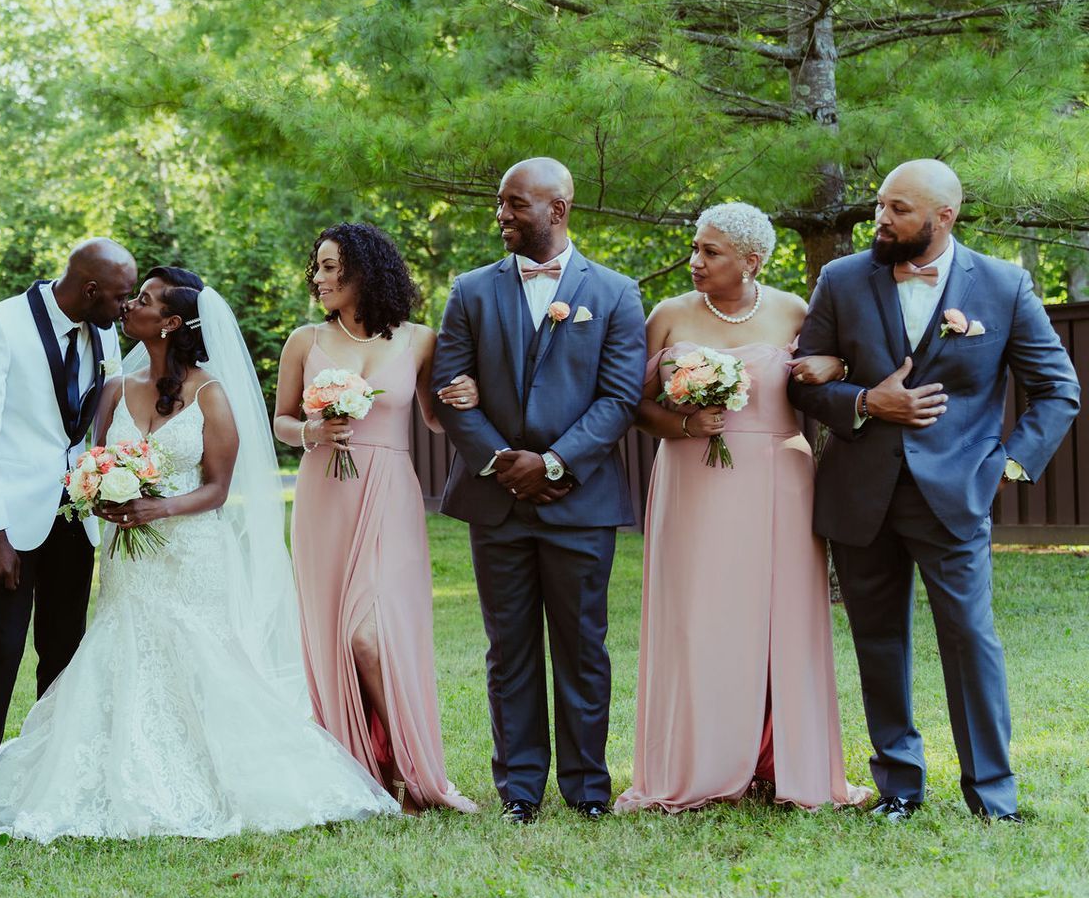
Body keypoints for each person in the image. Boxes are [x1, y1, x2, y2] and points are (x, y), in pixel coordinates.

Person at [0, 269, 398, 840]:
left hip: (187, 550)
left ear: (169, 323)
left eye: (142, 300)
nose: (128, 305)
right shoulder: (115, 386)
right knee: (120, 648)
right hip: (126, 555)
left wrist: (158, 510)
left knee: (197, 656)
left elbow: (216, 487)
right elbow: (91, 461)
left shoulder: (212, 393)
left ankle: (215, 771)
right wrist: (103, 495)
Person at [788, 160, 1079, 823]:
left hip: (955, 495)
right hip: (860, 494)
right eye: (879, 207)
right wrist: (865, 400)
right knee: (878, 641)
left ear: (942, 218)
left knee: (970, 639)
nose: (880, 221)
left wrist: (1006, 465)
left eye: (897, 210)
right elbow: (803, 382)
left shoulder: (1002, 286)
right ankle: (899, 787)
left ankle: (993, 795)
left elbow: (1059, 389)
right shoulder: (840, 280)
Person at [582, 204, 871, 812]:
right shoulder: (667, 315)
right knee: (698, 617)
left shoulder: (797, 311)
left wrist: (837, 363)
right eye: (695, 247)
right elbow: (633, 405)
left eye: (711, 252)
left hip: (779, 481)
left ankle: (782, 763)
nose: (695, 261)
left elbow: (836, 377)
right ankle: (698, 764)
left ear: (751, 261)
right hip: (692, 481)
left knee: (780, 620)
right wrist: (686, 421)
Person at [431, 158, 645, 823]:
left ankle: (586, 789)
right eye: (500, 203)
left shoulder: (614, 293)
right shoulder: (469, 290)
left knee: (583, 647)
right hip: (495, 501)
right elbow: (451, 388)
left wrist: (552, 463)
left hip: (578, 500)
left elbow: (619, 398)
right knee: (509, 649)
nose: (502, 215)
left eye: (515, 204)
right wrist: (501, 463)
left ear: (559, 208)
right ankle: (519, 790)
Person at [274, 223, 478, 814]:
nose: (318, 278)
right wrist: (313, 430)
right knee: (339, 634)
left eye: (331, 267)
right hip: (324, 498)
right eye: (316, 267)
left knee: (372, 633)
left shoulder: (418, 339)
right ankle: (366, 772)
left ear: (365, 270)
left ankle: (417, 775)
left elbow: (436, 420)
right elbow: (282, 420)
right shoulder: (305, 341)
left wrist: (462, 393)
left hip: (389, 491)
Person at [0, 240, 136, 807]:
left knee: (64, 649)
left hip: (75, 515)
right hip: (12, 520)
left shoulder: (104, 333)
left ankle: (50, 782)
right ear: (90, 289)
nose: (126, 310)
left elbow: (103, 421)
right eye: (121, 297)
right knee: (2, 648)